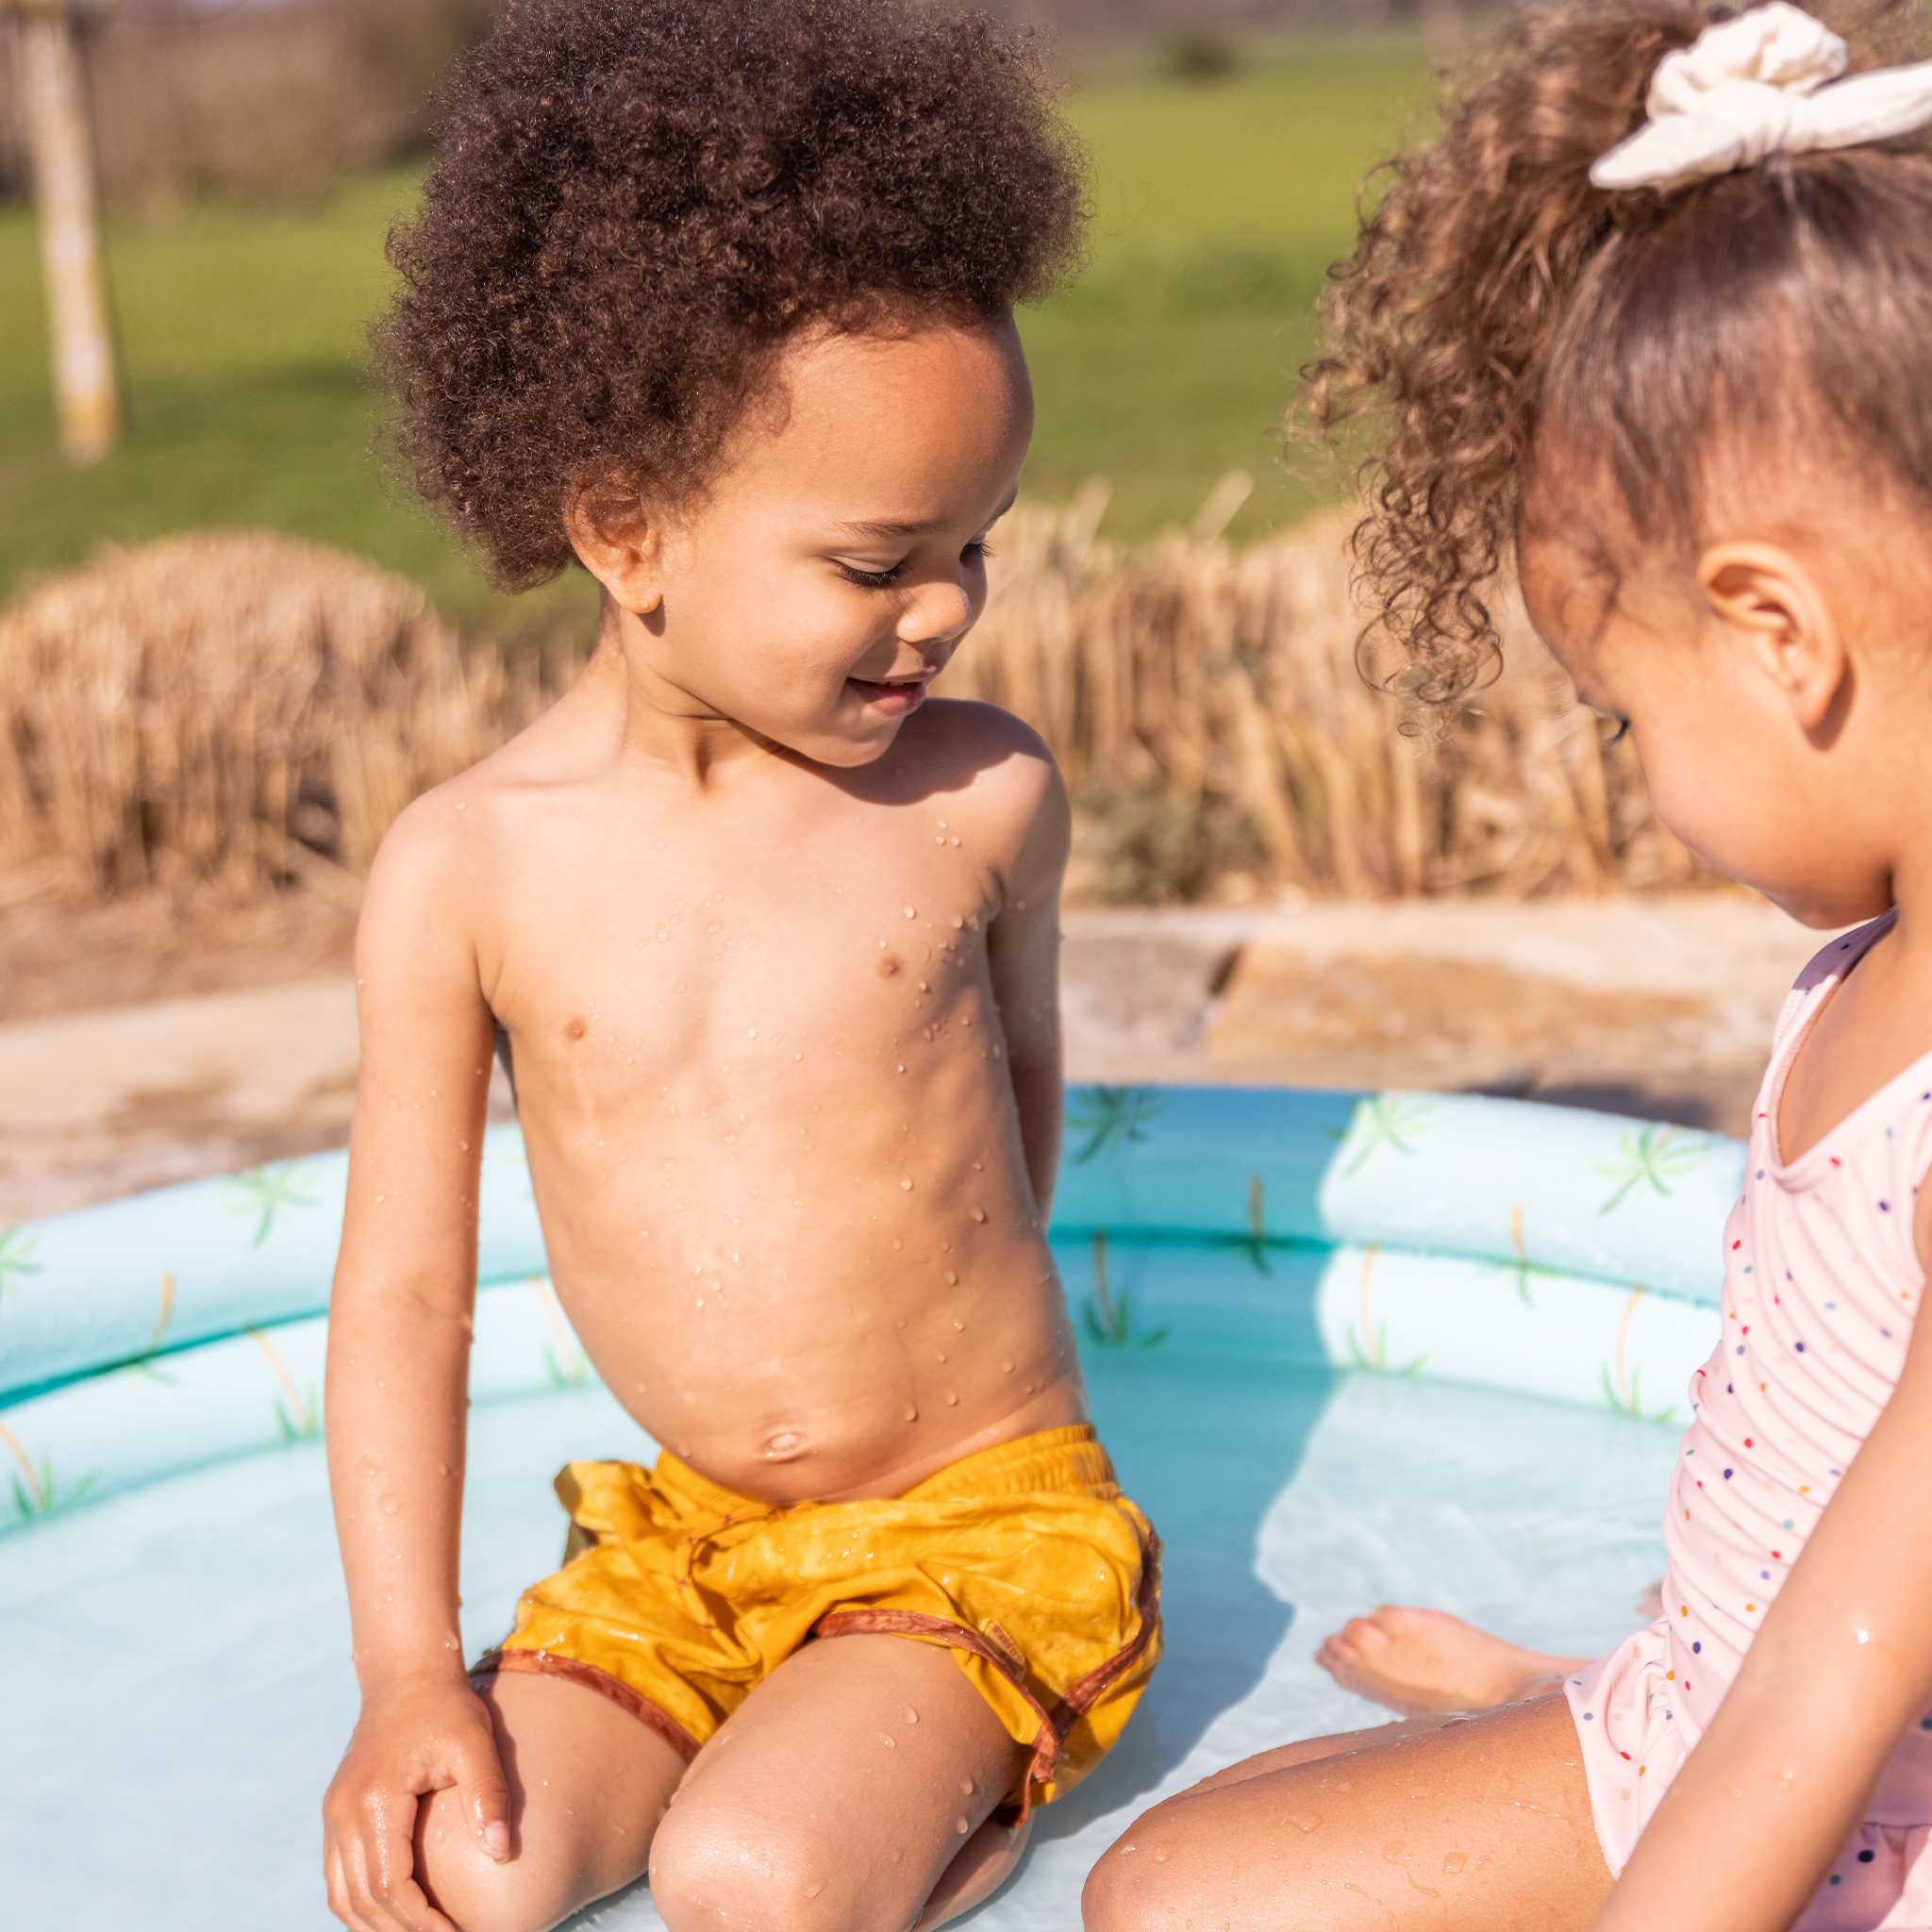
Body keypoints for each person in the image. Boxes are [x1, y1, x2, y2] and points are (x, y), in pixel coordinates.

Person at [1083, 3, 1932, 1927]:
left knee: (1165, 1907)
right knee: (1218, 1853)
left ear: (1777, 635)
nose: (1638, 792)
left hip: (1819, 1803)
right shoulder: (1875, 965)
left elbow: (1824, 1692)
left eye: (1624, 721)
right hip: (1724, 1704)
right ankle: (1567, 1696)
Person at [318, 7, 1164, 1931]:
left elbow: (1012, 1114)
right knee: (463, 1869)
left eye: (978, 544)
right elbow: (405, 1294)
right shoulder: (468, 869)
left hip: (972, 1520)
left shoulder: (978, 801)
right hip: (695, 1543)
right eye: (878, 562)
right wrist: (406, 1674)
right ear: (626, 529)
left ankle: (968, 1751)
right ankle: (803, 1721)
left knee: (752, 1874)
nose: (943, 606)